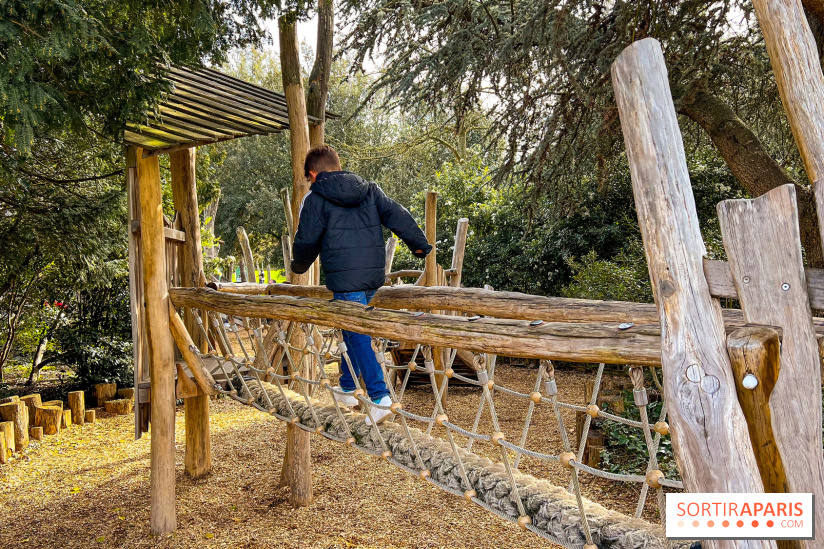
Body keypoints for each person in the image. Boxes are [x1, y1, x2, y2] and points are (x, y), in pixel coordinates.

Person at [290, 145, 432, 424]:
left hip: (345, 278)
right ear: (338, 165)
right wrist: (419, 245)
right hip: (372, 277)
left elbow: (307, 239)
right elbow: (397, 214)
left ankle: (380, 397)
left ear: (312, 174)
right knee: (351, 326)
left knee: (356, 333)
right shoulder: (369, 189)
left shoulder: (315, 196)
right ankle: (346, 387)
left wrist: (299, 266)